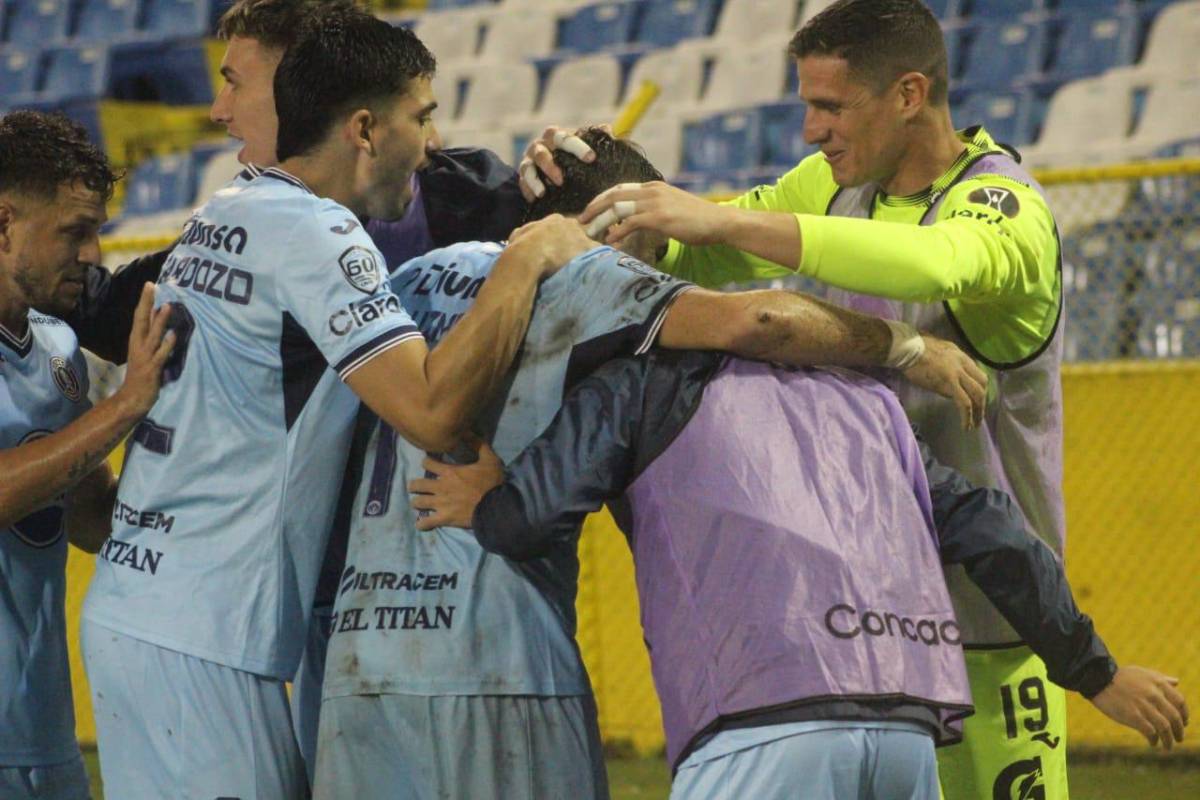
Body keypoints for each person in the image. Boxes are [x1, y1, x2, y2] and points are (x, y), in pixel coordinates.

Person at [313, 128, 987, 799]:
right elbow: (761, 323)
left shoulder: (412, 275)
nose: (660, 272)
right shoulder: (591, 274)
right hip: (500, 660)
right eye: (653, 250)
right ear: (609, 224)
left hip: (358, 662)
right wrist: (904, 347)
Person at [525, 1, 1080, 795]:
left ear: (909, 94)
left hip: (985, 616)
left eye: (830, 107)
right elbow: (698, 251)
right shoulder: (831, 183)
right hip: (870, 615)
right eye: (807, 106)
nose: (812, 131)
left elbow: (935, 264)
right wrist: (597, 192)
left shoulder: (1006, 208)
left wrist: (716, 220)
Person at [77, 12, 572, 798]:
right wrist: (532, 254)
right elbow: (433, 413)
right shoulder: (317, 236)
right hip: (202, 629)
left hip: (155, 609)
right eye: (423, 117)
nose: (432, 139)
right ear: (367, 129)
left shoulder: (226, 212)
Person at [409, 347, 1189, 800]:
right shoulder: (867, 403)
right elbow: (996, 531)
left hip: (761, 729)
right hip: (907, 729)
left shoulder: (640, 382)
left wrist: (492, 500)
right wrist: (1095, 673)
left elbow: (523, 523)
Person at [0, 111, 175, 800]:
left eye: (97, 231)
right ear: (4, 220)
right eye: (73, 232)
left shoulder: (59, 348)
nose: (94, 255)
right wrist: (125, 405)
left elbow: (89, 518)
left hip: (46, 738)